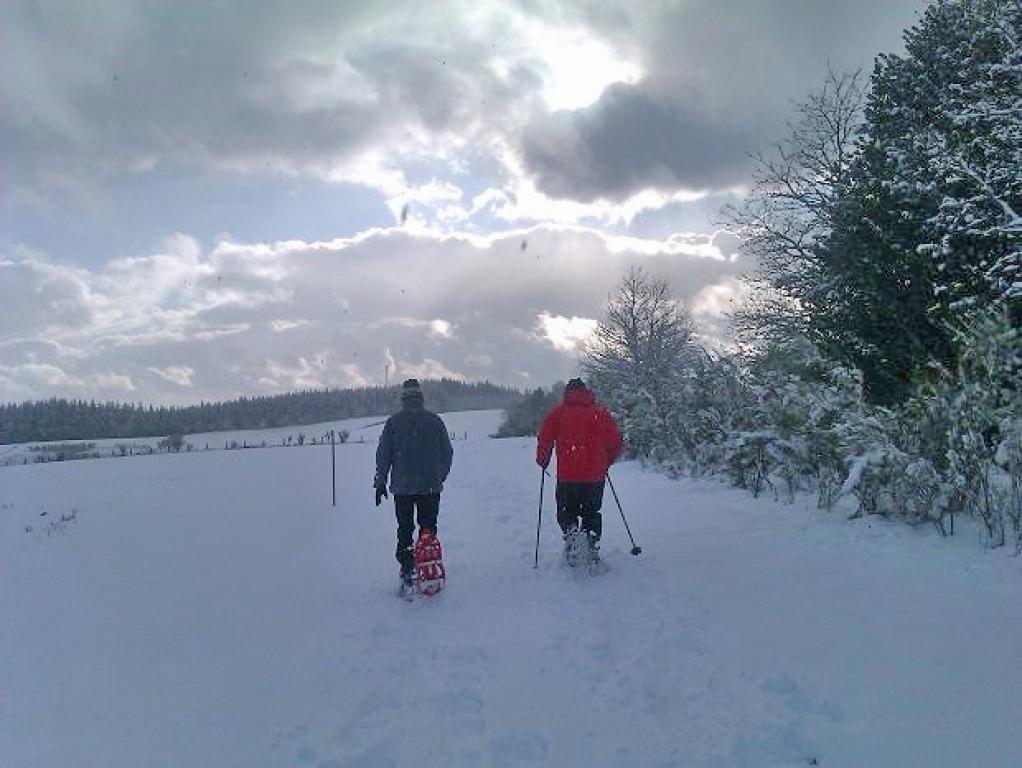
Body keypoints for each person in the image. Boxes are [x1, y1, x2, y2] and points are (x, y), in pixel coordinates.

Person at [374, 379, 454, 587]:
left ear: (403, 399)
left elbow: (384, 454)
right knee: (428, 527)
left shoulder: (394, 423)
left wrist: (380, 480)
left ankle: (408, 567)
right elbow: (447, 452)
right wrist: (440, 476)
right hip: (430, 486)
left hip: (403, 487)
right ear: (420, 397)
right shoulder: (435, 421)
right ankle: (428, 563)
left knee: (405, 528)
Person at [536, 378, 623, 560]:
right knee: (592, 512)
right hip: (595, 476)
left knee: (567, 510)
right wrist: (606, 461)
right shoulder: (601, 414)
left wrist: (543, 459)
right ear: (586, 393)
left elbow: (545, 438)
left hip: (568, 476)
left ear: (567, 393)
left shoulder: (558, 414)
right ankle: (590, 544)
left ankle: (572, 534)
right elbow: (615, 442)